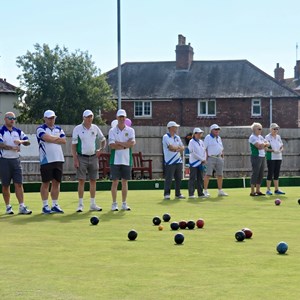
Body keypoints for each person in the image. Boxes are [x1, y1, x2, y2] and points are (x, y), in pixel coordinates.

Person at [72, 109, 106, 212]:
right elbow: (73, 146)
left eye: (91, 116)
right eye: (87, 117)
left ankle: (92, 204)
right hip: (81, 157)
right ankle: (80, 204)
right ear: (83, 118)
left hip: (93, 157)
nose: (89, 119)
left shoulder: (95, 128)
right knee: (81, 180)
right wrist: (75, 159)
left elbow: (103, 139)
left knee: (93, 180)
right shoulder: (77, 129)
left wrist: (101, 149)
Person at [0, 112, 32, 214]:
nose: (12, 120)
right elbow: (1, 144)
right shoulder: (1, 131)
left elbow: (27, 141)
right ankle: (8, 207)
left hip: (16, 160)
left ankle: (22, 206)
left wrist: (20, 142)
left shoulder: (18, 131)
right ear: (5, 119)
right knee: (5, 185)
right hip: (4, 160)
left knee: (19, 183)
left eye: (14, 118)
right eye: (10, 118)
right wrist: (12, 147)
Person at [36, 110, 66, 214]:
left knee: (56, 182)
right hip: (46, 159)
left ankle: (55, 204)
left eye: (52, 118)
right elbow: (46, 138)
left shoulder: (59, 128)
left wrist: (53, 139)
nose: (51, 120)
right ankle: (45, 205)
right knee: (45, 183)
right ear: (44, 118)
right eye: (49, 118)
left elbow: (64, 140)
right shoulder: (40, 129)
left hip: (58, 158)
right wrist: (56, 139)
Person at [108, 109, 135, 211]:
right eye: (120, 117)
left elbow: (132, 144)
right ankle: (114, 203)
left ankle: (124, 203)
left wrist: (119, 143)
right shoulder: (112, 131)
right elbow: (112, 145)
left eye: (123, 117)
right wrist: (125, 144)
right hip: (115, 160)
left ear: (125, 118)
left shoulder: (131, 130)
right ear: (117, 118)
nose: (122, 119)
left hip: (127, 160)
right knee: (115, 182)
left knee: (125, 182)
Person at [162, 121, 185, 200]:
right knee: (169, 178)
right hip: (170, 161)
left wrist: (177, 149)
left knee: (178, 178)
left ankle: (178, 194)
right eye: (175, 127)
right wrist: (177, 148)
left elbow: (182, 147)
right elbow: (170, 147)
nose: (176, 128)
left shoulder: (177, 137)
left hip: (178, 160)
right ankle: (167, 194)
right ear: (171, 128)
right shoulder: (165, 137)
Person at [203, 124, 228, 197]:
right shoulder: (208, 137)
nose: (217, 131)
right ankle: (205, 191)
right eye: (215, 129)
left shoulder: (219, 138)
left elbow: (221, 148)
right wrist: (205, 159)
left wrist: (222, 156)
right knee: (208, 174)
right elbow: (205, 148)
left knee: (220, 175)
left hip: (219, 157)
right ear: (211, 130)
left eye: (218, 129)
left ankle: (220, 191)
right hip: (211, 157)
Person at [249, 122, 269, 196]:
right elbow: (259, 146)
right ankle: (252, 191)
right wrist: (264, 144)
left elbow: (267, 144)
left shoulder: (260, 137)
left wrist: (264, 144)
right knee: (255, 173)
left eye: (261, 129)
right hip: (256, 156)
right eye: (259, 129)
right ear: (254, 129)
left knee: (261, 174)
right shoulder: (252, 137)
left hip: (262, 156)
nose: (261, 130)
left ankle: (258, 190)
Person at [265, 123, 285, 195]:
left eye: (277, 129)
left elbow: (282, 146)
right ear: (271, 129)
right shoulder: (267, 137)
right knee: (270, 173)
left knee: (277, 173)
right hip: (271, 157)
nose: (276, 130)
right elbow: (266, 148)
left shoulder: (278, 137)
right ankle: (268, 190)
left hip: (279, 157)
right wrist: (273, 151)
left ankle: (276, 190)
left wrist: (281, 150)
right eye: (274, 129)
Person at [188, 127, 207, 198]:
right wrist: (202, 159)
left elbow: (204, 151)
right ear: (194, 134)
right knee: (192, 178)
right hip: (193, 163)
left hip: (200, 163)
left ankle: (200, 193)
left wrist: (204, 159)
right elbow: (193, 153)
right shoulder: (191, 142)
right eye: (198, 133)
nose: (199, 135)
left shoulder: (201, 142)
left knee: (200, 178)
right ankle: (191, 194)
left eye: (200, 133)